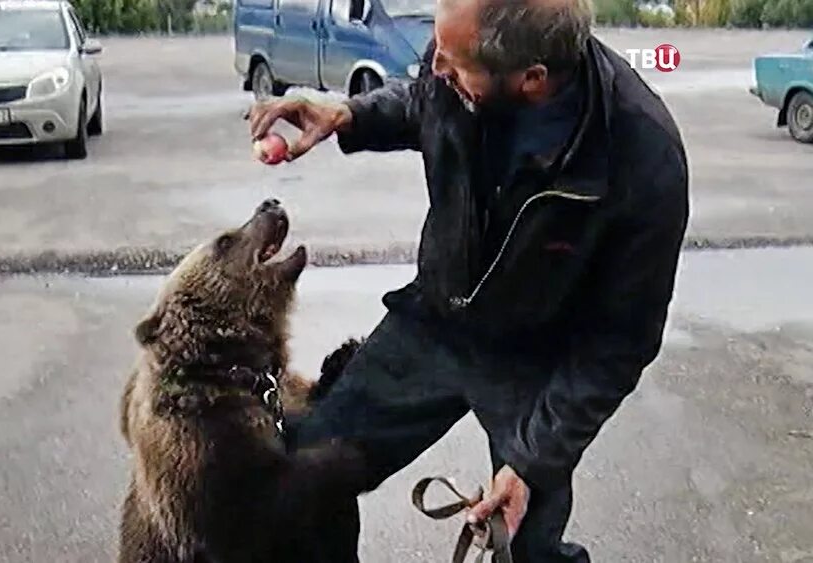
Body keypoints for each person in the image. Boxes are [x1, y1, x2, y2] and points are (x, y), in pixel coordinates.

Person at [246, 0, 689, 560]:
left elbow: (622, 343)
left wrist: (531, 461)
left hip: (535, 358)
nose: (435, 67)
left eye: (453, 63)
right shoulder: (460, 60)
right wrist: (348, 115)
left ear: (531, 79)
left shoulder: (642, 161)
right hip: (436, 319)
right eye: (439, 51)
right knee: (304, 479)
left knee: (524, 544)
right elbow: (422, 101)